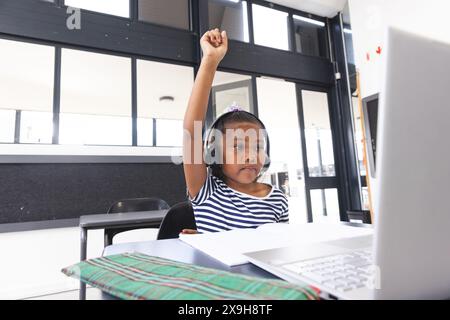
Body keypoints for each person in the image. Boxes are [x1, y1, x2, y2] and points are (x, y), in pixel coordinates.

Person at [182, 28, 288, 234]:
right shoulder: (207, 191)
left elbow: (279, 245)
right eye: (238, 146)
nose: (250, 155)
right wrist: (210, 60)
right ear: (217, 155)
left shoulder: (278, 198)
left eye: (258, 146)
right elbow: (191, 131)